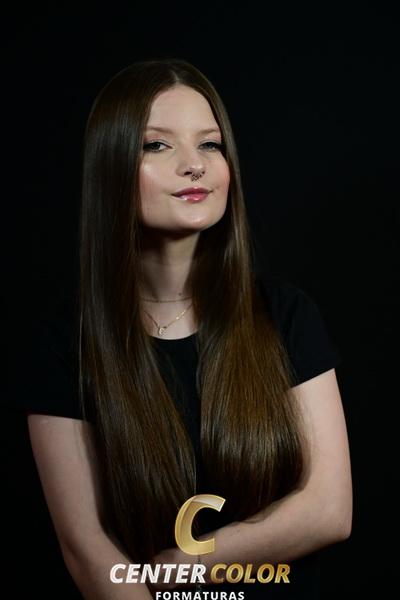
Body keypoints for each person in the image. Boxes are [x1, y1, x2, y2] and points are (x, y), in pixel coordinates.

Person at [17, 58, 352, 599]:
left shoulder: (285, 315)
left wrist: (189, 562)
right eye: (157, 145)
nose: (194, 165)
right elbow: (86, 547)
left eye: (210, 145)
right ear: (111, 166)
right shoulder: (63, 346)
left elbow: (329, 509)